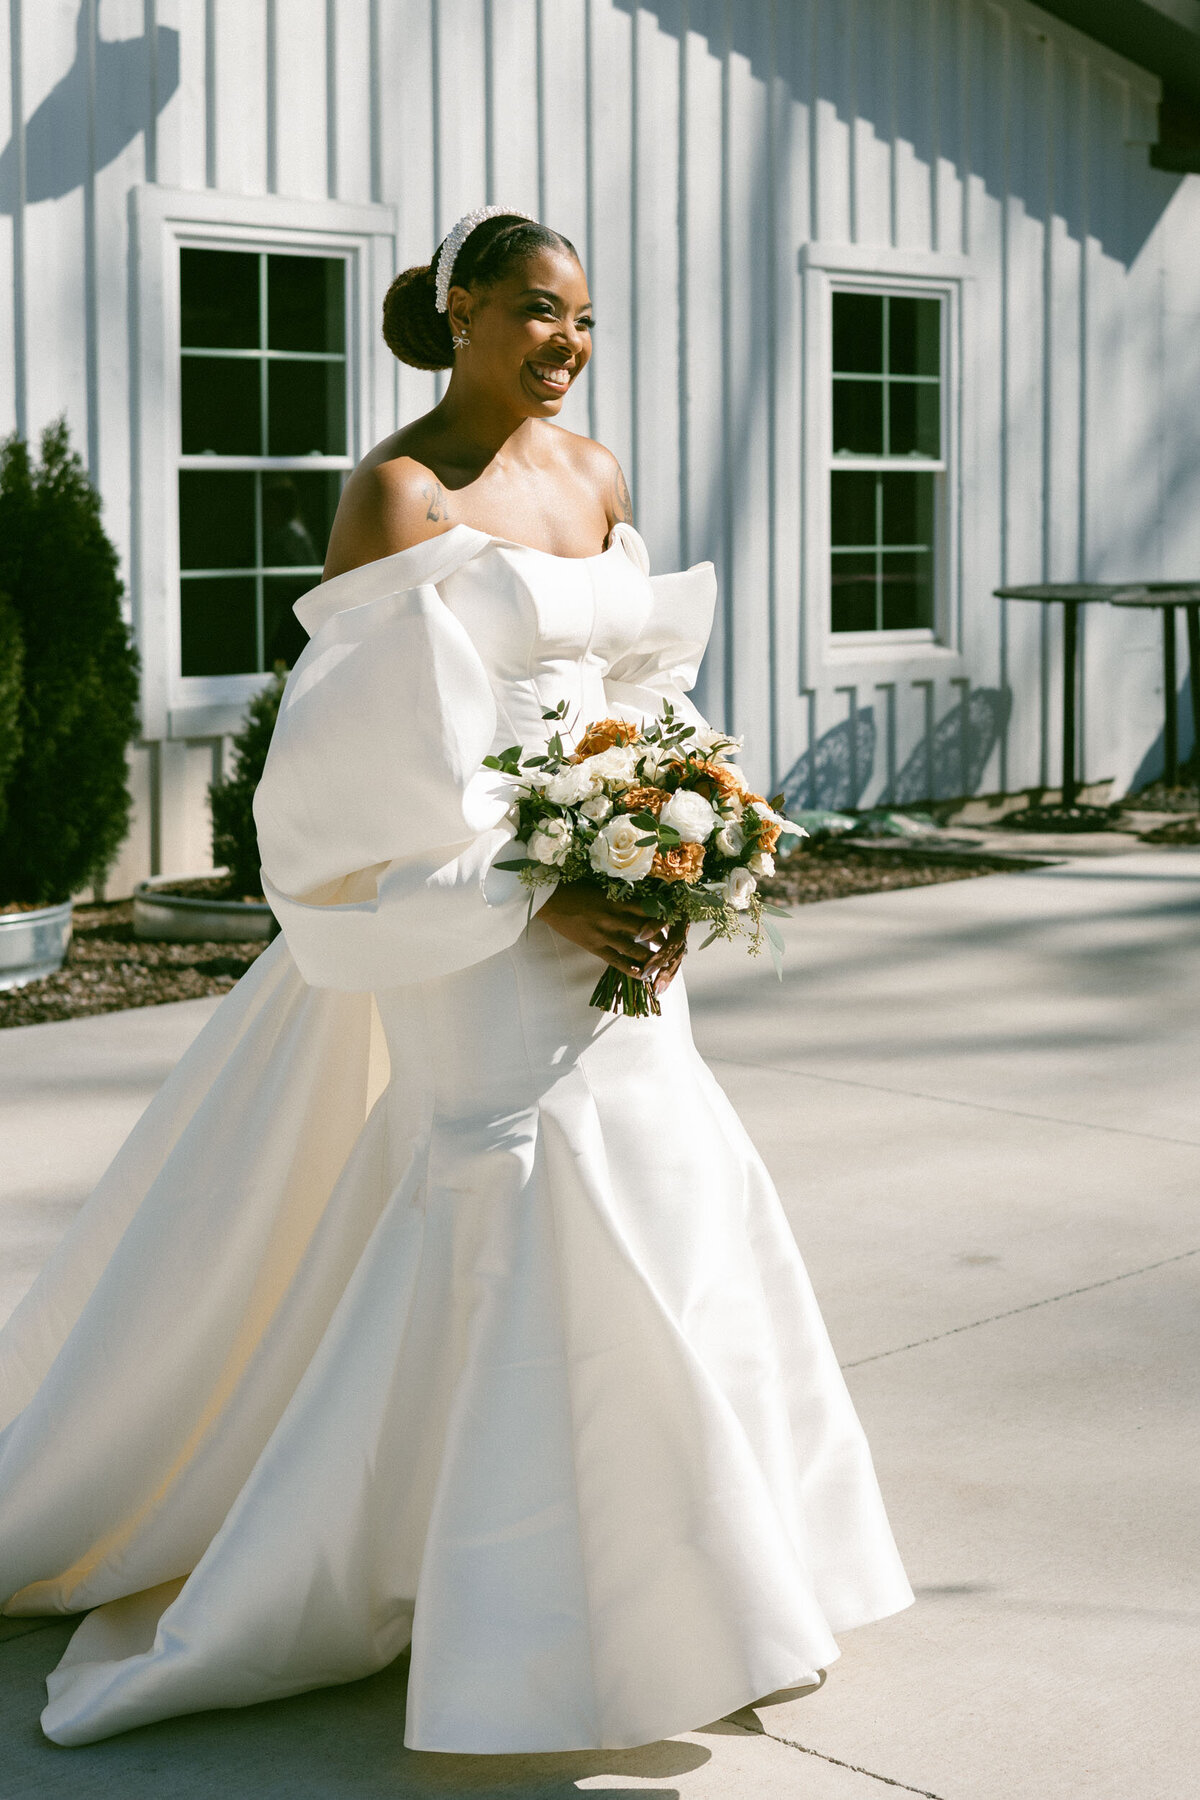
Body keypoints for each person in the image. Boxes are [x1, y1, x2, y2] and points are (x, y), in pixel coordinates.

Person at [0, 209, 912, 1754]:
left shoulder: (599, 472)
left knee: (668, 1175)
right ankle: (506, 1612)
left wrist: (681, 841)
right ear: (464, 310)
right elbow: (361, 768)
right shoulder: (399, 492)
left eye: (585, 320)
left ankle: (691, 1582)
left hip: (622, 891)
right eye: (539, 314)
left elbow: (643, 690)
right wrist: (531, 886)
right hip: (471, 916)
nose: (566, 344)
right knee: (520, 1197)